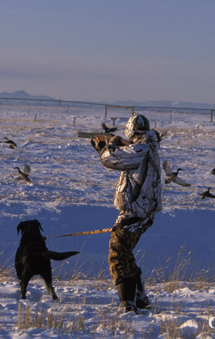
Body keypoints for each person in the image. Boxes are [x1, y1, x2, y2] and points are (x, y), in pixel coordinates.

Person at [91, 114, 162, 313]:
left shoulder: (140, 148)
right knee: (125, 252)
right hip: (142, 210)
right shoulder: (147, 147)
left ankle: (127, 304)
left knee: (117, 253)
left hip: (135, 211)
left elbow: (111, 159)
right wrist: (110, 144)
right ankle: (139, 298)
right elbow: (124, 155)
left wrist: (106, 146)